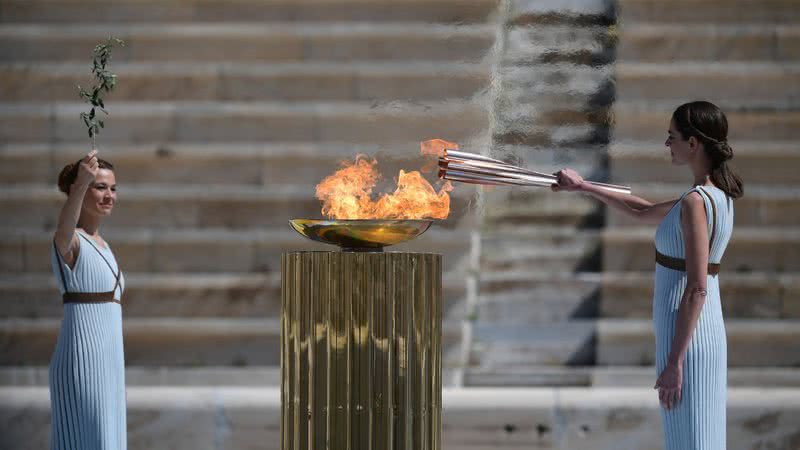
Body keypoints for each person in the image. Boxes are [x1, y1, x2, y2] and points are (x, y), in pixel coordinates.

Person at [552, 100, 742, 450]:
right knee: (698, 439)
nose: (667, 144)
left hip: (689, 341)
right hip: (700, 334)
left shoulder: (696, 203)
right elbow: (642, 210)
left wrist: (675, 362)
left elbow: (697, 288)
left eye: (672, 137)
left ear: (693, 143)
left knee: (694, 441)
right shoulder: (714, 197)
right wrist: (584, 187)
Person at [50, 149, 126, 449]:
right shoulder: (71, 240)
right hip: (82, 358)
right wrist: (81, 183)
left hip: (109, 360)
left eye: (113, 188)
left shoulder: (105, 245)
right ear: (80, 191)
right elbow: (62, 233)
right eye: (101, 187)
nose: (109, 195)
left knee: (108, 440)